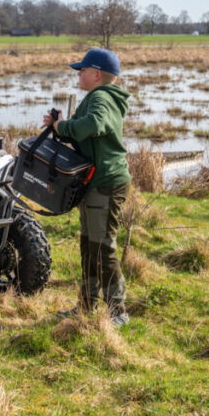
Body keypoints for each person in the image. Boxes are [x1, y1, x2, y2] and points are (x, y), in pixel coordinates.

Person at [43, 48, 131, 327]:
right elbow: (90, 136)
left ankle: (118, 312)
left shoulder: (101, 97)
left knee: (103, 247)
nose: (78, 74)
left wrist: (64, 126)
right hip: (98, 182)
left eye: (82, 70)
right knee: (89, 246)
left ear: (96, 74)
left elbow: (94, 124)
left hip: (105, 184)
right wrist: (59, 128)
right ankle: (87, 306)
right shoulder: (103, 96)